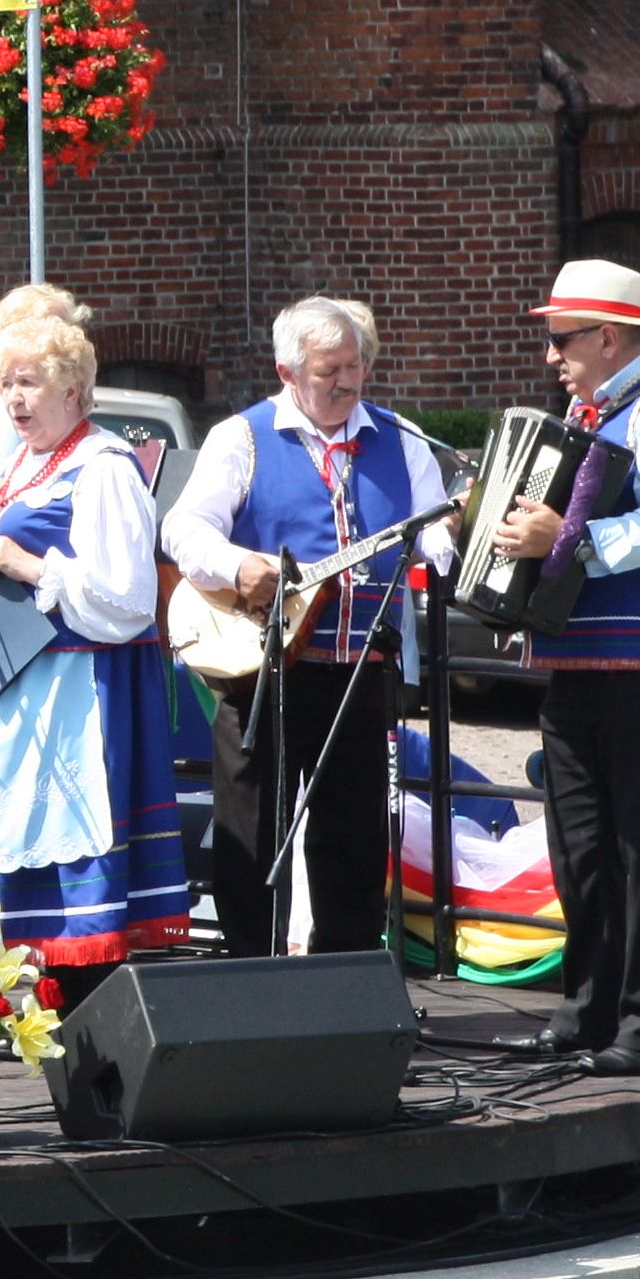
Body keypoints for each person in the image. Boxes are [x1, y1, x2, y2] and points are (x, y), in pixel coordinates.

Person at [163, 297, 453, 957]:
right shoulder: (242, 437)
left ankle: (342, 984)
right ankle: (253, 984)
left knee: (353, 840)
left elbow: (435, 531)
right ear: (289, 372)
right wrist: (240, 567)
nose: (349, 382)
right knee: (254, 834)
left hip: (358, 672)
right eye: (331, 371)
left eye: (357, 366)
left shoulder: (400, 438)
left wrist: (446, 534)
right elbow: (182, 529)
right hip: (262, 666)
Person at [495, 258, 640, 1075]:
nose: (552, 354)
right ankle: (588, 1007)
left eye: (562, 338)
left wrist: (561, 541)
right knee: (580, 846)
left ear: (608, 333)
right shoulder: (588, 409)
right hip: (577, 654)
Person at [0, 308, 192, 977]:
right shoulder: (16, 466)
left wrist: (30, 566)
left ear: (73, 389)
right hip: (12, 693)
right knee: (5, 865)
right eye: (4, 382)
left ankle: (80, 1018)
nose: (12, 397)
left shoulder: (102, 467)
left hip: (76, 696)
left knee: (72, 863)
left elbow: (129, 599)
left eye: (29, 382)